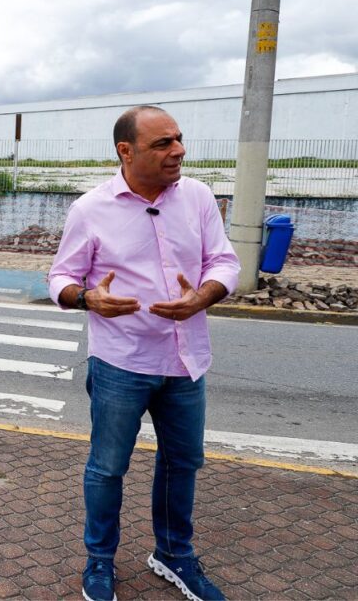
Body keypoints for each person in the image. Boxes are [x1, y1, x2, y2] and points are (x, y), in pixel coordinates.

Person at [47, 106, 240, 601]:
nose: (177, 150)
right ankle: (99, 561)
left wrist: (203, 296)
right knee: (108, 466)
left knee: (183, 462)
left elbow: (223, 260)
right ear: (125, 151)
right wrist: (88, 299)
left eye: (179, 139)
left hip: (185, 361)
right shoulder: (91, 209)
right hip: (121, 362)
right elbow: (61, 278)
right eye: (162, 144)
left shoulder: (197, 197)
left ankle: (174, 554)